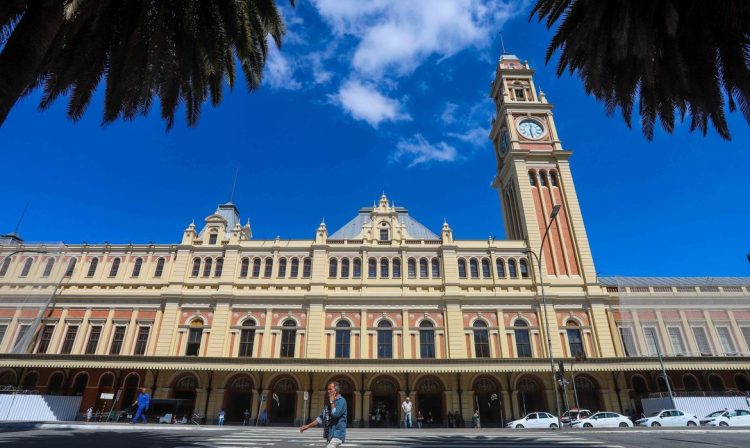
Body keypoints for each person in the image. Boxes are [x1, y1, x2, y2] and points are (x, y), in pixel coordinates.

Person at [299, 381, 347, 448]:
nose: (328, 391)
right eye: (328, 389)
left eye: (330, 389)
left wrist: (332, 402)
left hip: (337, 434)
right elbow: (320, 418)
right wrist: (307, 426)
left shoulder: (341, 401)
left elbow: (335, 414)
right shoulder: (328, 403)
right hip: (330, 434)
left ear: (336, 390)